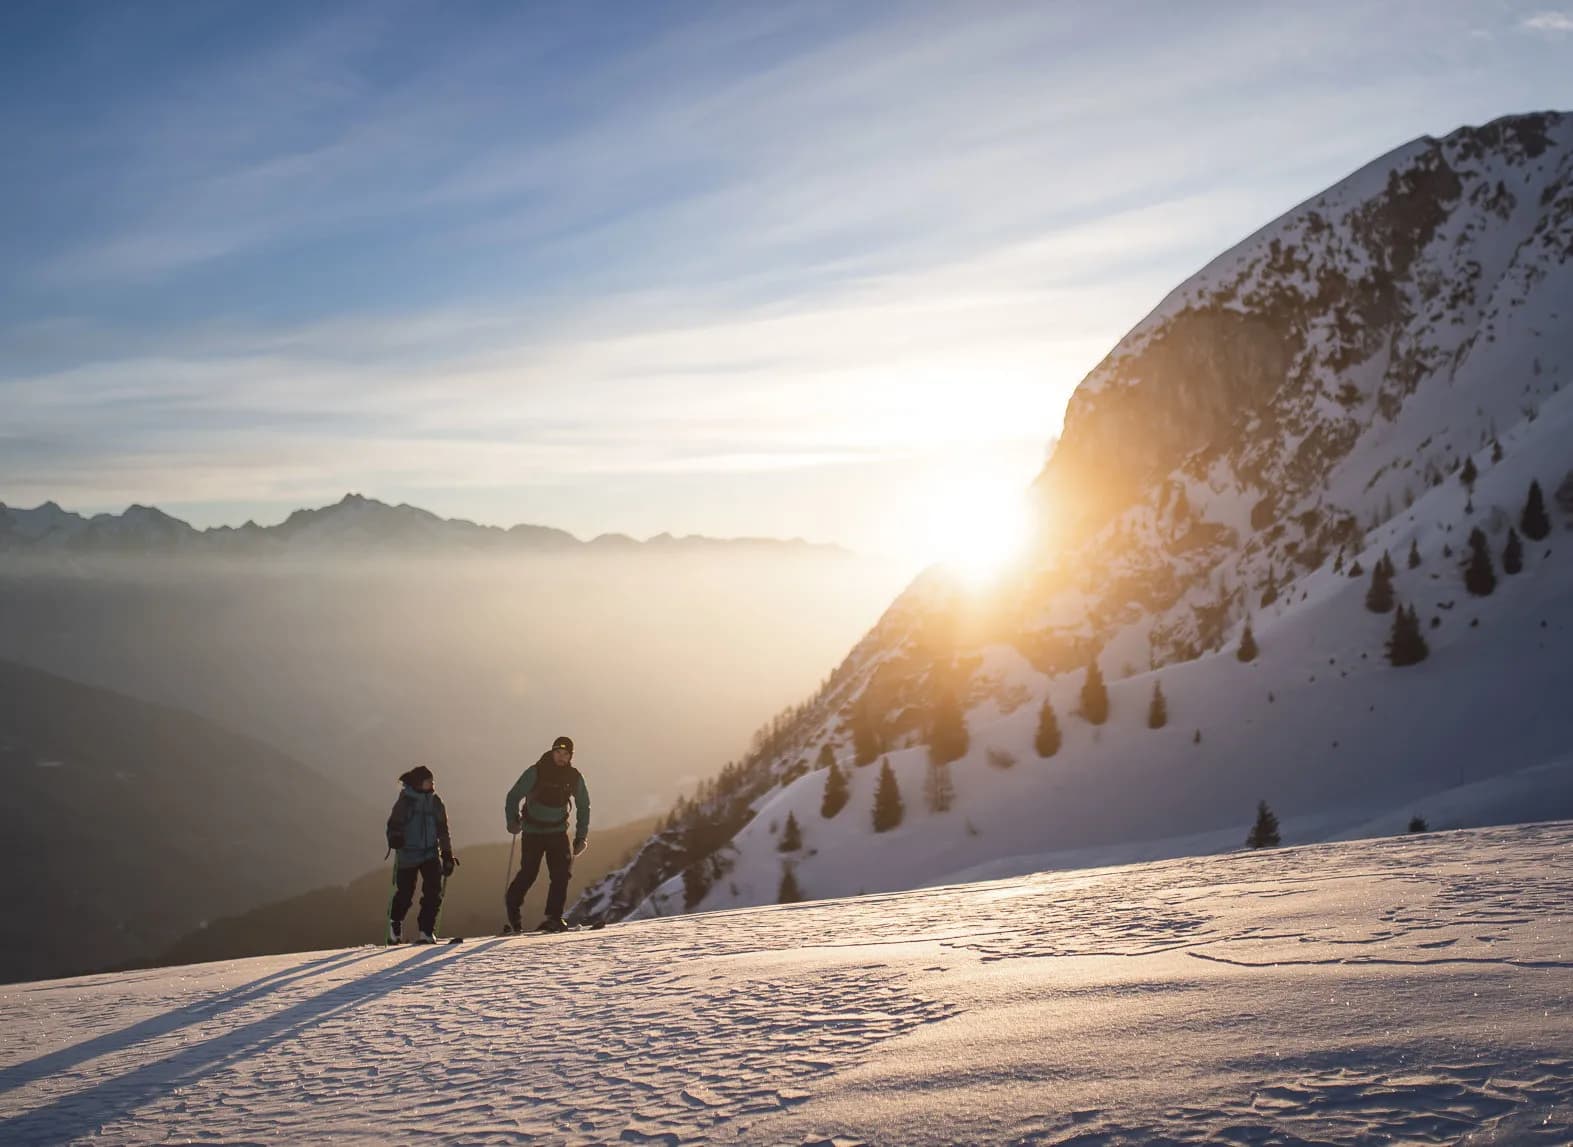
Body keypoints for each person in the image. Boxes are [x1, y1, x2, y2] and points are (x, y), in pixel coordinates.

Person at [503, 735, 591, 933]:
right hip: (533, 832)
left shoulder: (574, 777)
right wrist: (512, 821)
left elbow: (584, 806)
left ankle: (554, 917)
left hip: (557, 832)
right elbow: (513, 796)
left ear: (571, 756)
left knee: (561, 875)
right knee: (529, 873)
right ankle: (513, 906)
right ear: (552, 752)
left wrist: (581, 837)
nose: (561, 757)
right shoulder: (536, 771)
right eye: (557, 753)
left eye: (565, 754)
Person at [386, 765, 459, 944]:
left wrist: (447, 854)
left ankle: (426, 930)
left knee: (433, 892)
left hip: (430, 854)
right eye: (428, 781)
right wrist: (394, 838)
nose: (432, 784)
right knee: (405, 893)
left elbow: (443, 830)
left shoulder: (435, 802)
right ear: (419, 783)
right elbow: (394, 825)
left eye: (432, 781)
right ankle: (396, 923)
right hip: (408, 854)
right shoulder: (406, 802)